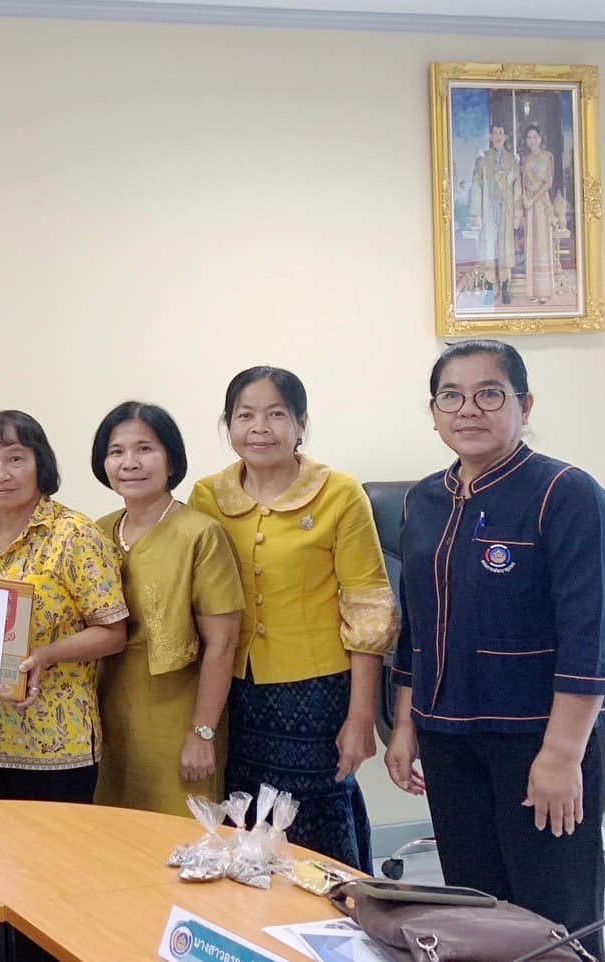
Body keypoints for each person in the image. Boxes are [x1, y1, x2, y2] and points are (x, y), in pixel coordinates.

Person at [386, 339, 604, 956]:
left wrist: (562, 756)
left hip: (538, 739)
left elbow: (589, 636)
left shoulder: (566, 492)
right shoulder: (423, 499)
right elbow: (416, 629)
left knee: (553, 915)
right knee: (474, 907)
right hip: (447, 737)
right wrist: (403, 728)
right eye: (450, 396)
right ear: (433, 412)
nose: (468, 410)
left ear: (524, 403)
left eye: (489, 394)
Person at [190, 366, 396, 871]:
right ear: (228, 425)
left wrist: (361, 716)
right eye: (246, 415)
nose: (260, 427)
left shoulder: (339, 494)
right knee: (245, 813)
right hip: (233, 689)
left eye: (276, 414)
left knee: (314, 818)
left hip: (317, 693)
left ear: (301, 424)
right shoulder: (207, 497)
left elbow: (368, 608)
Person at [0, 410, 128, 802]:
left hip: (55, 747)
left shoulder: (75, 534)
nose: (0, 474)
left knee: (51, 862)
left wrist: (46, 655)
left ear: (40, 463)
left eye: (15, 459)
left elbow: (112, 633)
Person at [91, 402, 242, 815]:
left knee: (176, 838)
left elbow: (223, 643)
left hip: (178, 714)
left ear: (171, 459)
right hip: (107, 710)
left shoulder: (201, 534)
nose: (130, 463)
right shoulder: (97, 532)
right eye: (116, 451)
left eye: (145, 449)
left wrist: (203, 732)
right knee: (107, 832)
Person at [467, 122, 520, 305]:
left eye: (501, 132)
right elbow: (476, 186)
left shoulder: (512, 160)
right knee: (488, 249)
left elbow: (517, 189)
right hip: (488, 212)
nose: (498, 136)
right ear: (490, 136)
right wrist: (476, 214)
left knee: (504, 249)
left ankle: (505, 288)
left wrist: (517, 213)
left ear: (505, 137)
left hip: (505, 211)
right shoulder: (483, 160)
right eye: (495, 133)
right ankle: (490, 288)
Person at [520, 124, 558, 305]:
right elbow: (522, 183)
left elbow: (548, 184)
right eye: (529, 137)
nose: (532, 140)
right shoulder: (524, 160)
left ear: (540, 138)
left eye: (535, 136)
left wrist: (532, 200)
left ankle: (545, 292)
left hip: (541, 206)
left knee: (543, 245)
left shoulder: (547, 157)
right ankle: (534, 291)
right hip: (530, 208)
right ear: (526, 140)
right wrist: (524, 200)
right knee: (532, 246)